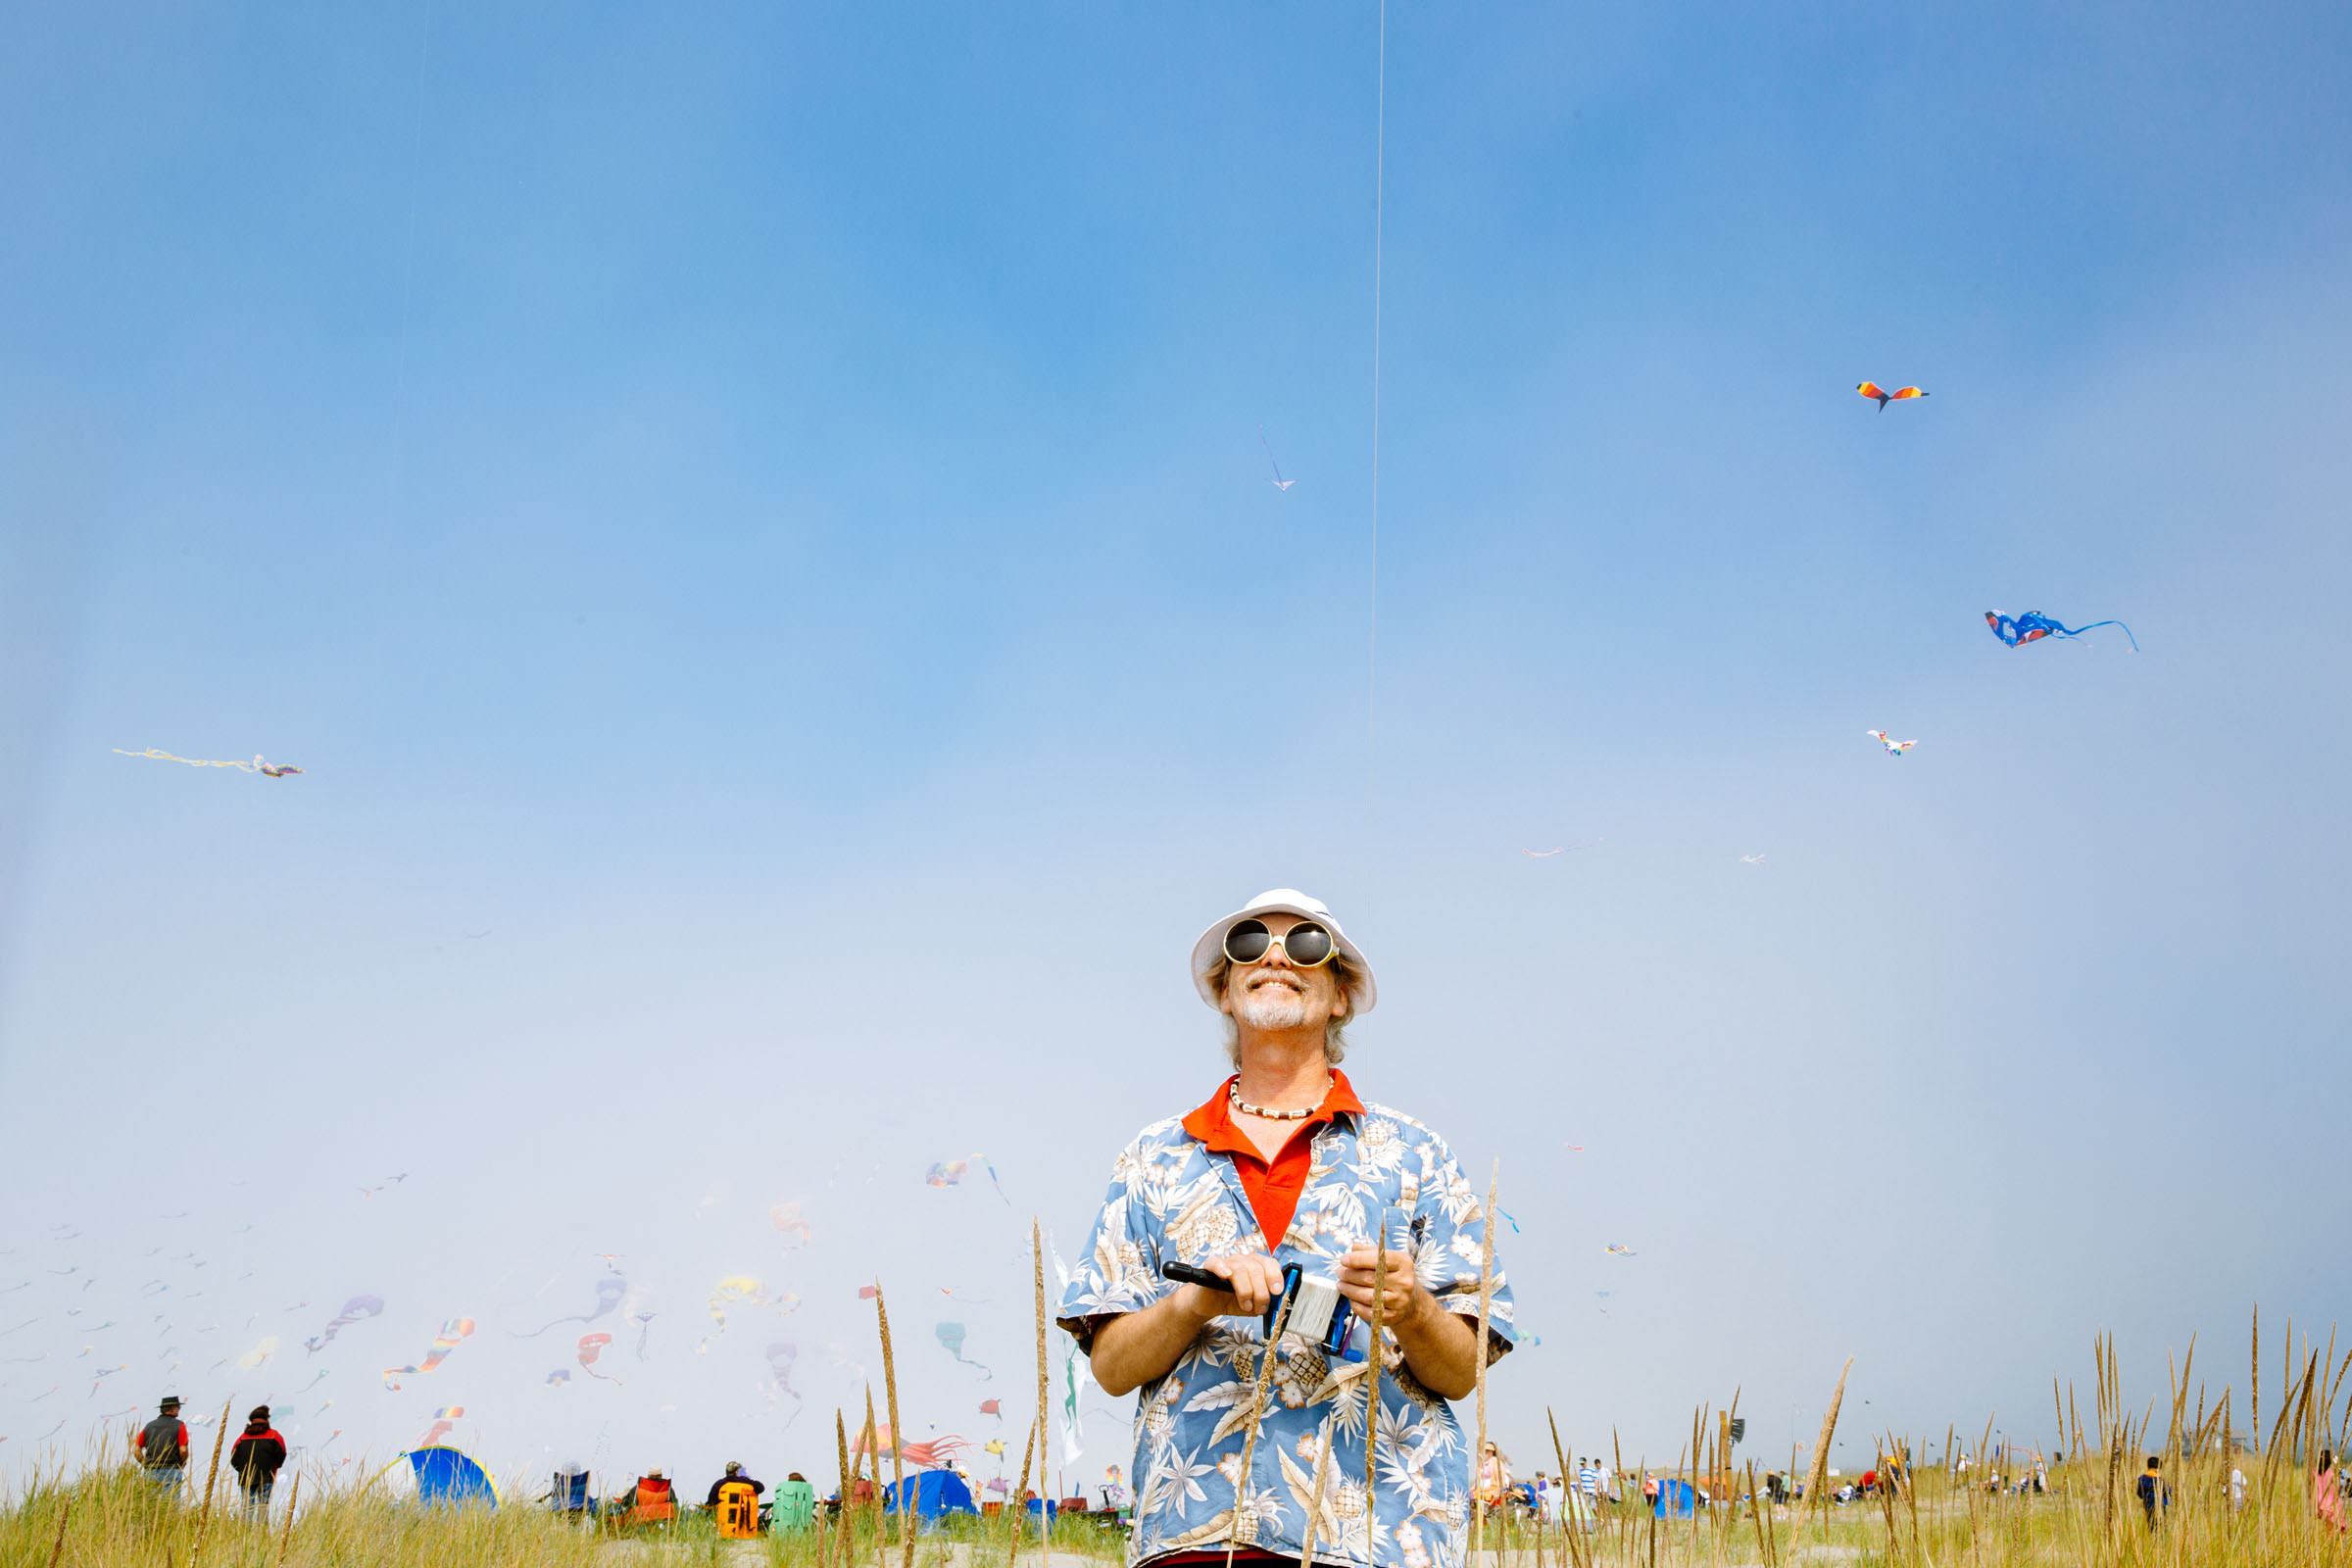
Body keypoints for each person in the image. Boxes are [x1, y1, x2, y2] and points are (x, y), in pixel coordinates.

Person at [1056, 889, 1515, 1568]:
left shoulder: (1417, 1155)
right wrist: (1192, 1304)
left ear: (1340, 996)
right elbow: (1112, 1368)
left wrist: (1413, 1310)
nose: (1275, 954)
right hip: (1199, 1533)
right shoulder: (1154, 1158)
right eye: (1248, 943)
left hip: (1377, 1537)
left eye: (1306, 944)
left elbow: (1461, 1374)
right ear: (1224, 991)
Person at [230, 1405, 287, 1518]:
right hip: (266, 1478)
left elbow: (233, 1458)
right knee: (263, 1510)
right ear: (266, 1420)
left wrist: (242, 1470)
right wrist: (273, 1467)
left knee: (247, 1510)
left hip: (246, 1478)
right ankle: (262, 1534)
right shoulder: (274, 1435)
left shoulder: (242, 1437)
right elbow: (282, 1455)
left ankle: (245, 1534)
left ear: (251, 1421)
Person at [134, 1396, 190, 1494]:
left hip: (151, 1470)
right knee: (171, 1505)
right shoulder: (179, 1425)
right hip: (171, 1469)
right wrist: (183, 1463)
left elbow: (137, 1450)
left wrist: (145, 1463)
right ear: (172, 1409)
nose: (179, 1410)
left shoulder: (149, 1426)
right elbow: (183, 1450)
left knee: (151, 1505)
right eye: (178, 1407)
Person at [2317, 1448, 2345, 1533]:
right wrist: (2336, 1465)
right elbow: (2339, 1489)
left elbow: (2310, 1492)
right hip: (2334, 1508)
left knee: (2329, 1532)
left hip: (2321, 1508)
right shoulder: (2334, 1474)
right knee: (2339, 1534)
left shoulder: (2314, 1473)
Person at [2135, 1456, 2168, 1524]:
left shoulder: (2142, 1478)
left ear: (2148, 1466)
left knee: (2151, 1524)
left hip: (2148, 1505)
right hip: (2161, 1504)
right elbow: (2168, 1492)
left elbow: (2139, 1493)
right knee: (2162, 1525)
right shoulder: (2160, 1479)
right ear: (2159, 1467)